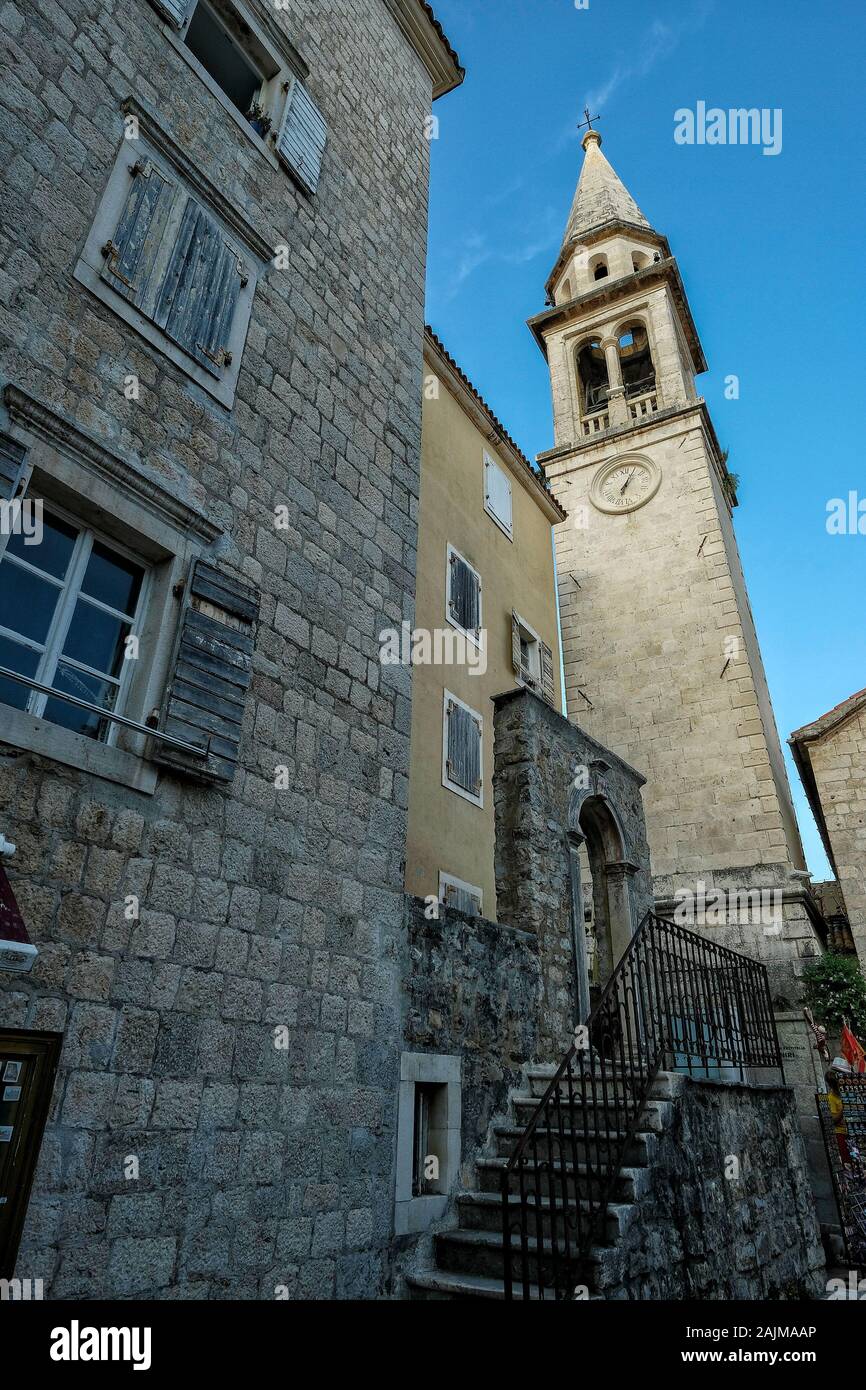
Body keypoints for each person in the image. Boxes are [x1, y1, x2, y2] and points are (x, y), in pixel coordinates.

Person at [826, 1069, 852, 1168]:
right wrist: (843, 1109)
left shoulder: (847, 1091)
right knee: (847, 1163)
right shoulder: (831, 1098)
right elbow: (833, 1120)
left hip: (852, 1131)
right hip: (841, 1133)